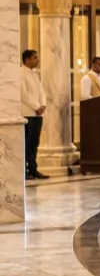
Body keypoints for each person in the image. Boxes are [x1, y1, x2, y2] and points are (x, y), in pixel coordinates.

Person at [21, 50, 48, 181]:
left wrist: (43, 105)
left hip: (38, 114)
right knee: (26, 144)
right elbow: (23, 94)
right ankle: (25, 170)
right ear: (27, 59)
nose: (38, 60)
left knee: (34, 143)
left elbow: (41, 91)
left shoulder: (35, 74)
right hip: (27, 113)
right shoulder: (20, 73)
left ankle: (33, 169)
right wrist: (37, 106)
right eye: (35, 58)